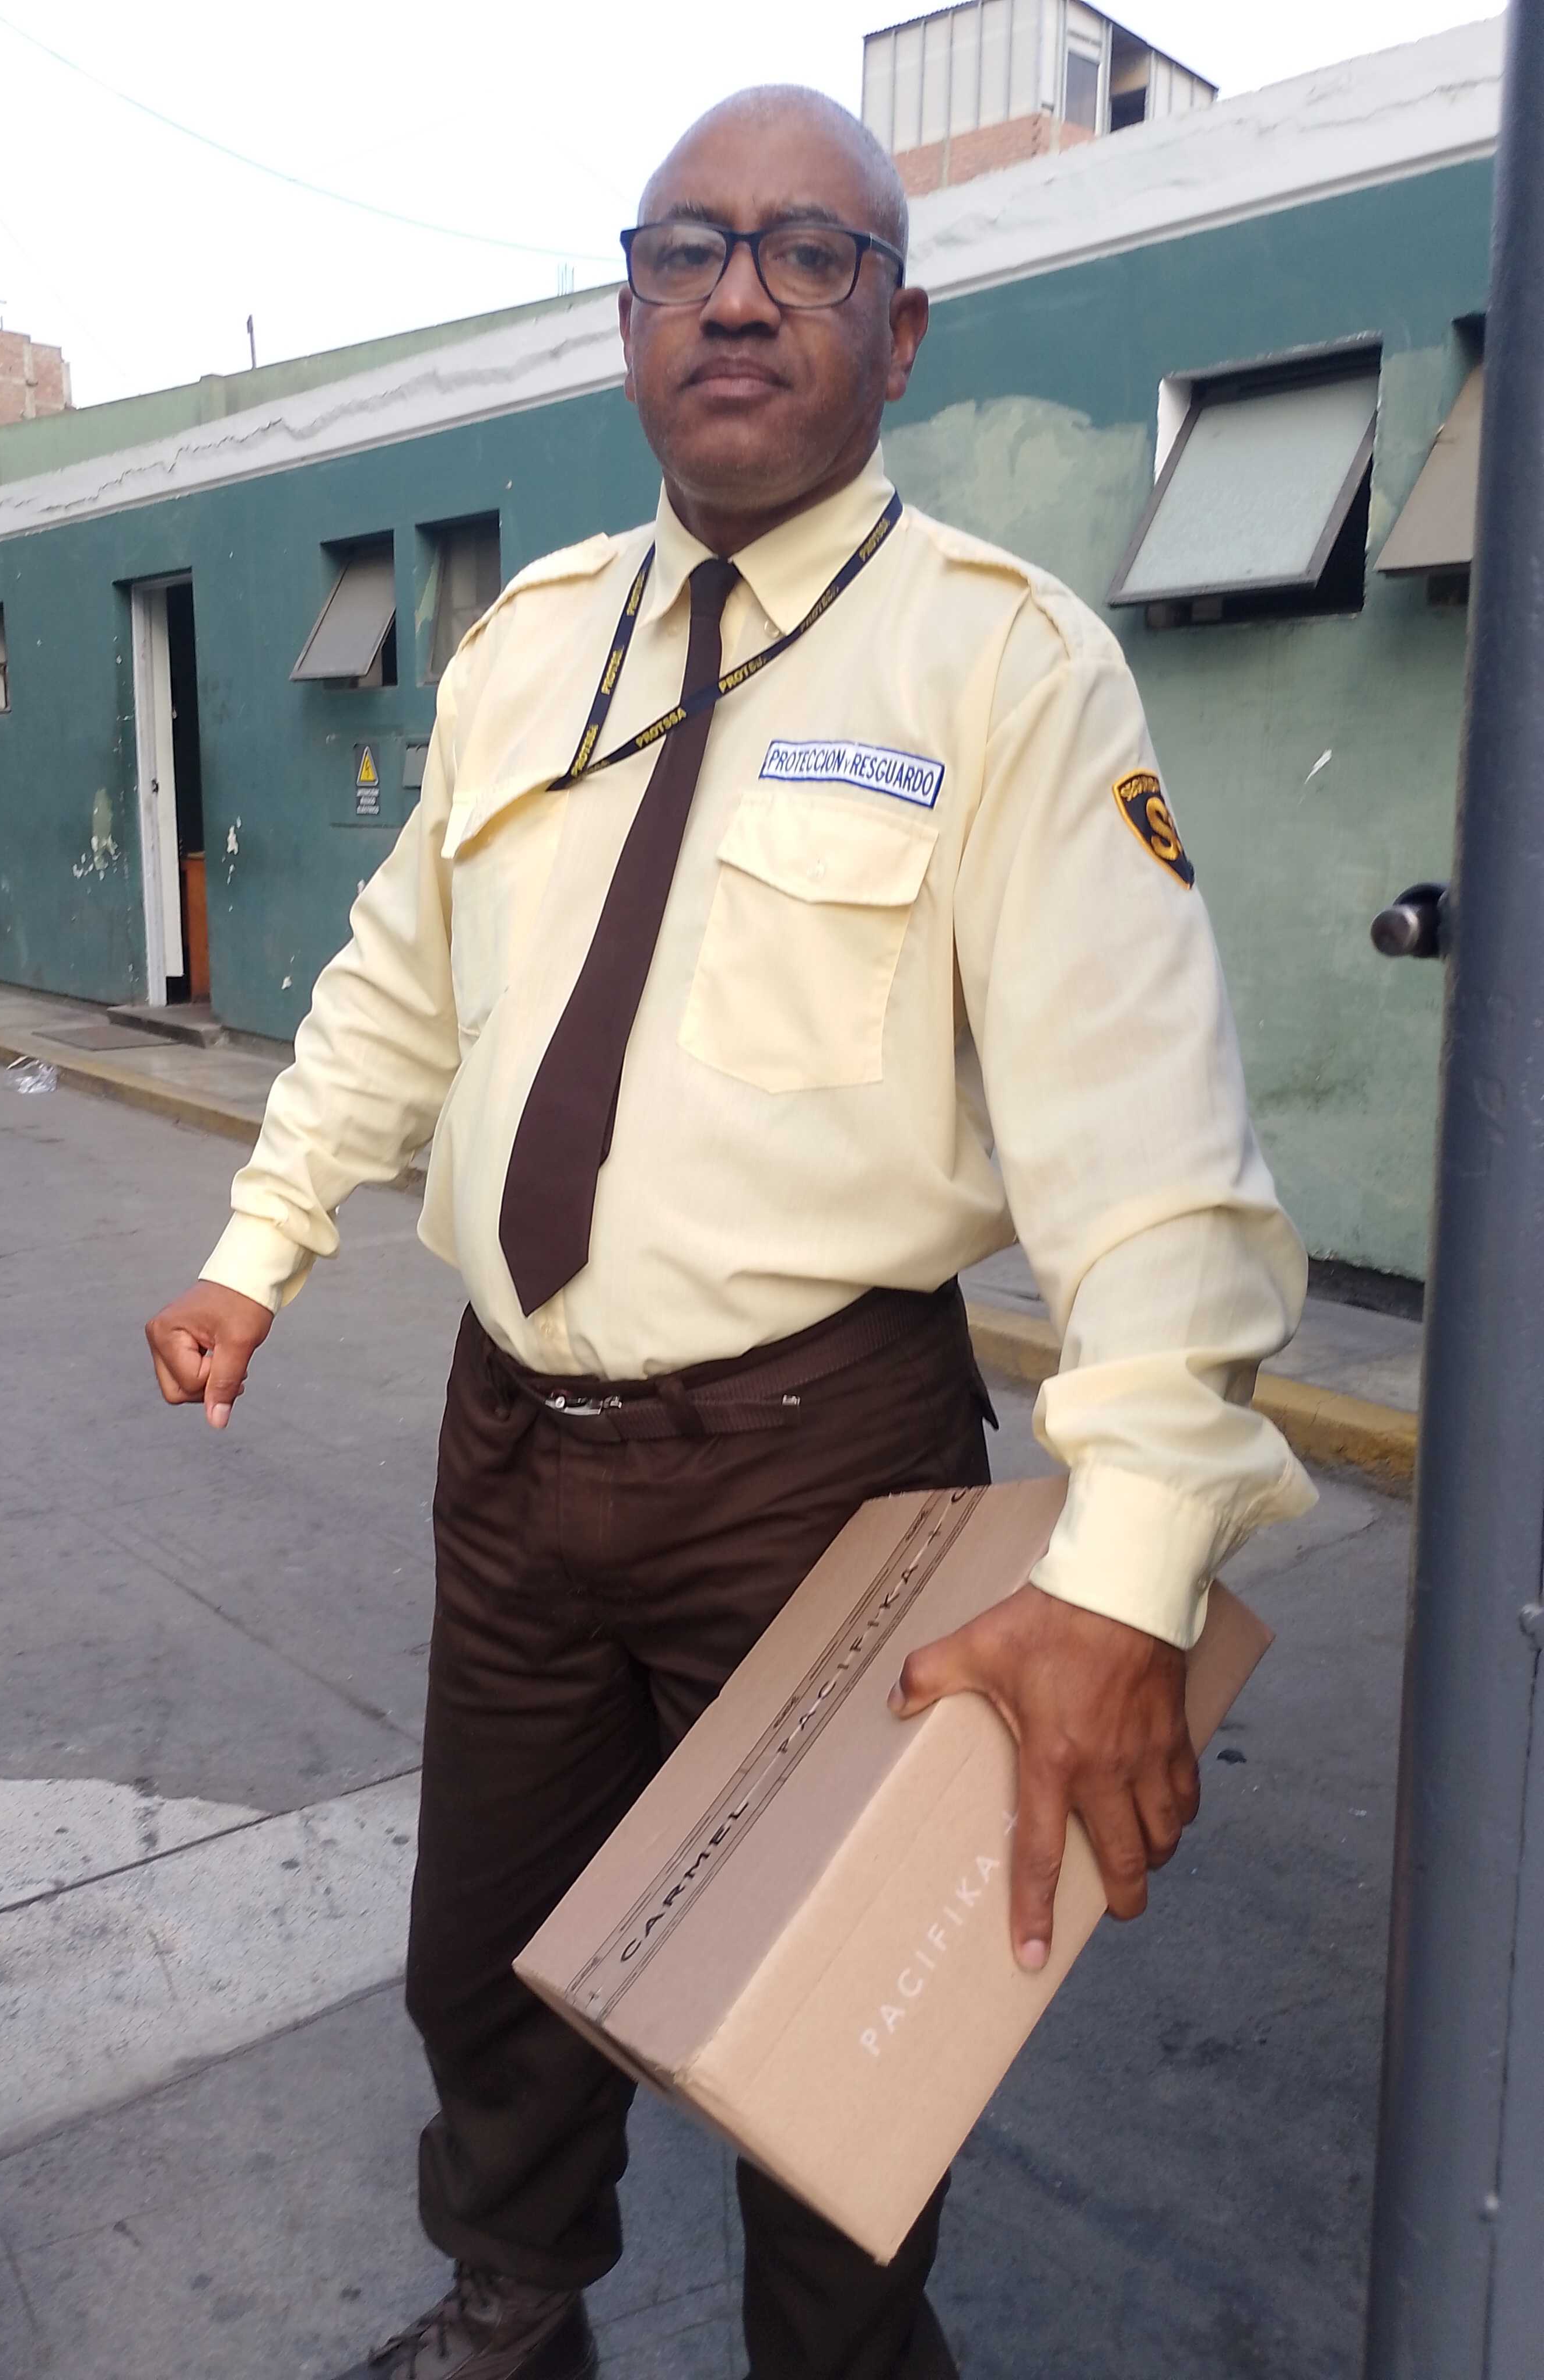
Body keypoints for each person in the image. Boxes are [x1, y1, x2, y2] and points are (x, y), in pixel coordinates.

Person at [146, 83, 1314, 2380]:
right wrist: (257, 1243)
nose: (741, 295)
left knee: (833, 2029)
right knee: (484, 1956)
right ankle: (516, 2310)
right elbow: (400, 989)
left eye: (810, 252)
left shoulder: (1006, 667)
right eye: (687, 251)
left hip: (817, 1463)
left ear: (901, 331)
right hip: (513, 1446)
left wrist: (1131, 1567)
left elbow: (1153, 1149)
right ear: (629, 318)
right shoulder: (526, 646)